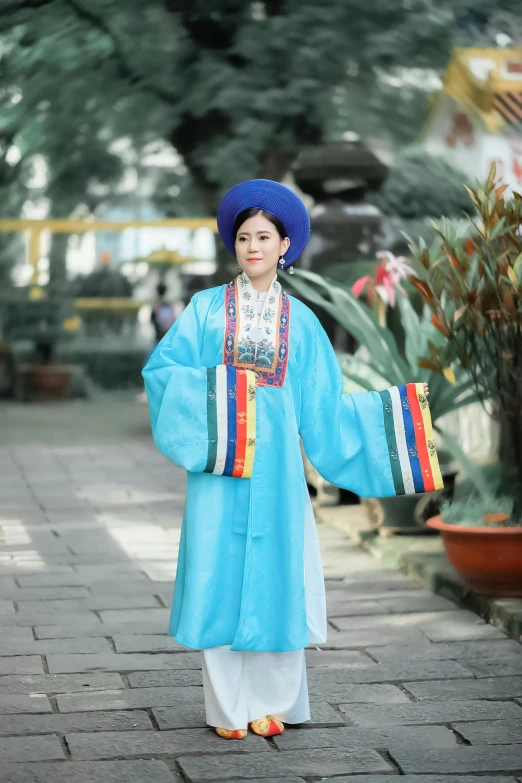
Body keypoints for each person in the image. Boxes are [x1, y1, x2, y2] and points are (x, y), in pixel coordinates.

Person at [142, 180, 441, 740]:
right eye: (243, 236)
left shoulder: (301, 322)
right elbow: (163, 375)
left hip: (277, 476)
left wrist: (399, 426)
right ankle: (228, 709)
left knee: (276, 580)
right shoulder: (205, 311)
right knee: (218, 579)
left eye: (264, 236)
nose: (252, 246)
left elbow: (325, 410)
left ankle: (271, 702)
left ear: (285, 246)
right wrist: (224, 397)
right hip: (220, 472)